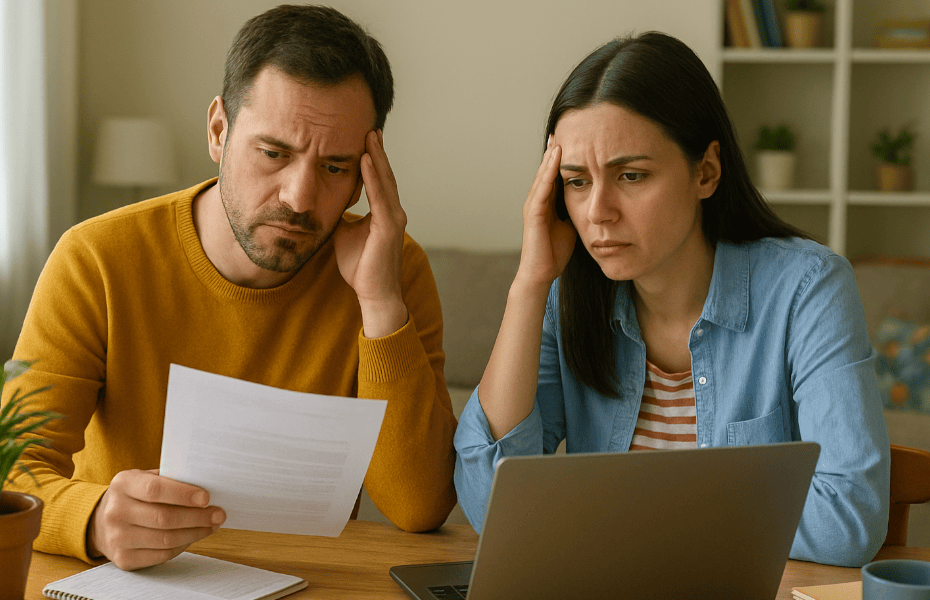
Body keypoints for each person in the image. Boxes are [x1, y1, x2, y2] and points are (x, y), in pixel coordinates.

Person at [3, 5, 456, 570]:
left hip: (310, 582)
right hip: (133, 582)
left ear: (369, 172)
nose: (299, 197)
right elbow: (11, 468)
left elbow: (419, 505)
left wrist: (381, 303)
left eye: (336, 167)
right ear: (219, 130)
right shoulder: (95, 259)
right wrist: (93, 518)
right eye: (274, 153)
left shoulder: (391, 270)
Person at [453, 32, 889, 568]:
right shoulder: (564, 298)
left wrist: (612, 512)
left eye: (631, 175)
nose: (598, 212)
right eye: (576, 182)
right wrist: (528, 285)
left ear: (706, 171)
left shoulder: (808, 288)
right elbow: (487, 503)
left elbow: (849, 518)